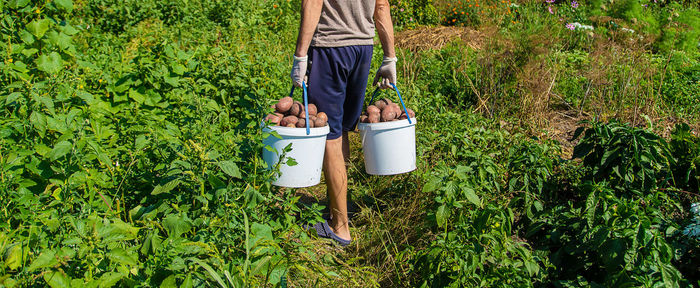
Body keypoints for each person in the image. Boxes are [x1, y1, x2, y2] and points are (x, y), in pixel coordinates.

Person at [291, 0, 396, 246]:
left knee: (329, 136)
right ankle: (338, 206)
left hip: (331, 47)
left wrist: (300, 55)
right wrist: (390, 56)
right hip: (363, 48)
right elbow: (382, 6)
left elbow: (313, 2)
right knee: (341, 133)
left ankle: (340, 228)